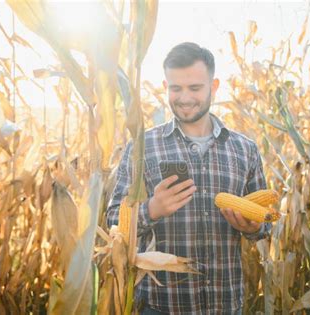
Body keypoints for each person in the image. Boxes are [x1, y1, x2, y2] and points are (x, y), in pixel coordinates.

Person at [107, 42, 271, 314]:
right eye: (175, 88)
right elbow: (113, 222)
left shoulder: (244, 150)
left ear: (214, 86)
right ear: (165, 86)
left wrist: (253, 227)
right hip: (163, 306)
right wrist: (151, 210)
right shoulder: (143, 147)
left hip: (226, 304)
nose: (184, 97)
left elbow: (265, 225)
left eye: (194, 88)